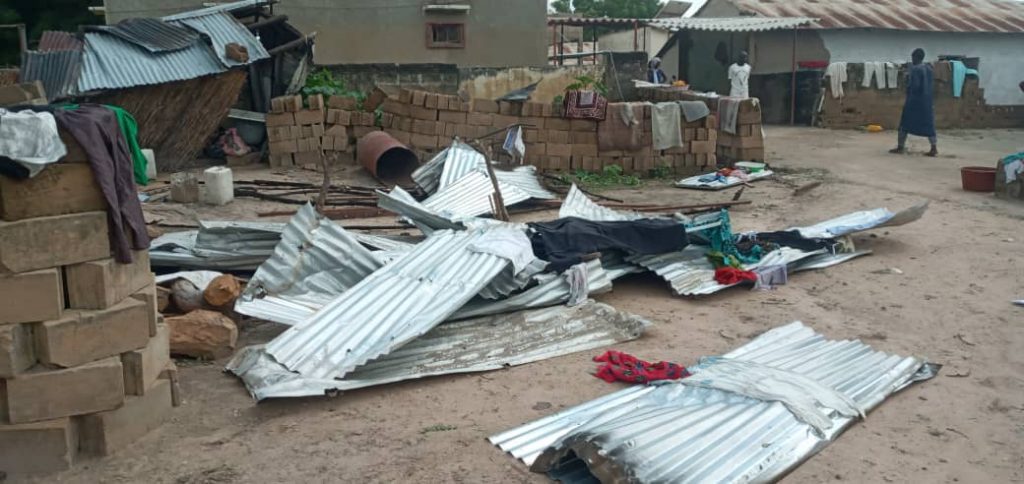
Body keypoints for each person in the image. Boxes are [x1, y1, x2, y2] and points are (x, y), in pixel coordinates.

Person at [891, 48, 937, 156]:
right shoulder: (929, 69)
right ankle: (933, 147)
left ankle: (900, 146)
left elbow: (915, 86)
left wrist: (907, 80)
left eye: (913, 57)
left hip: (914, 101)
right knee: (929, 125)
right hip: (927, 102)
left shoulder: (916, 70)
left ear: (916, 57)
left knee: (904, 124)